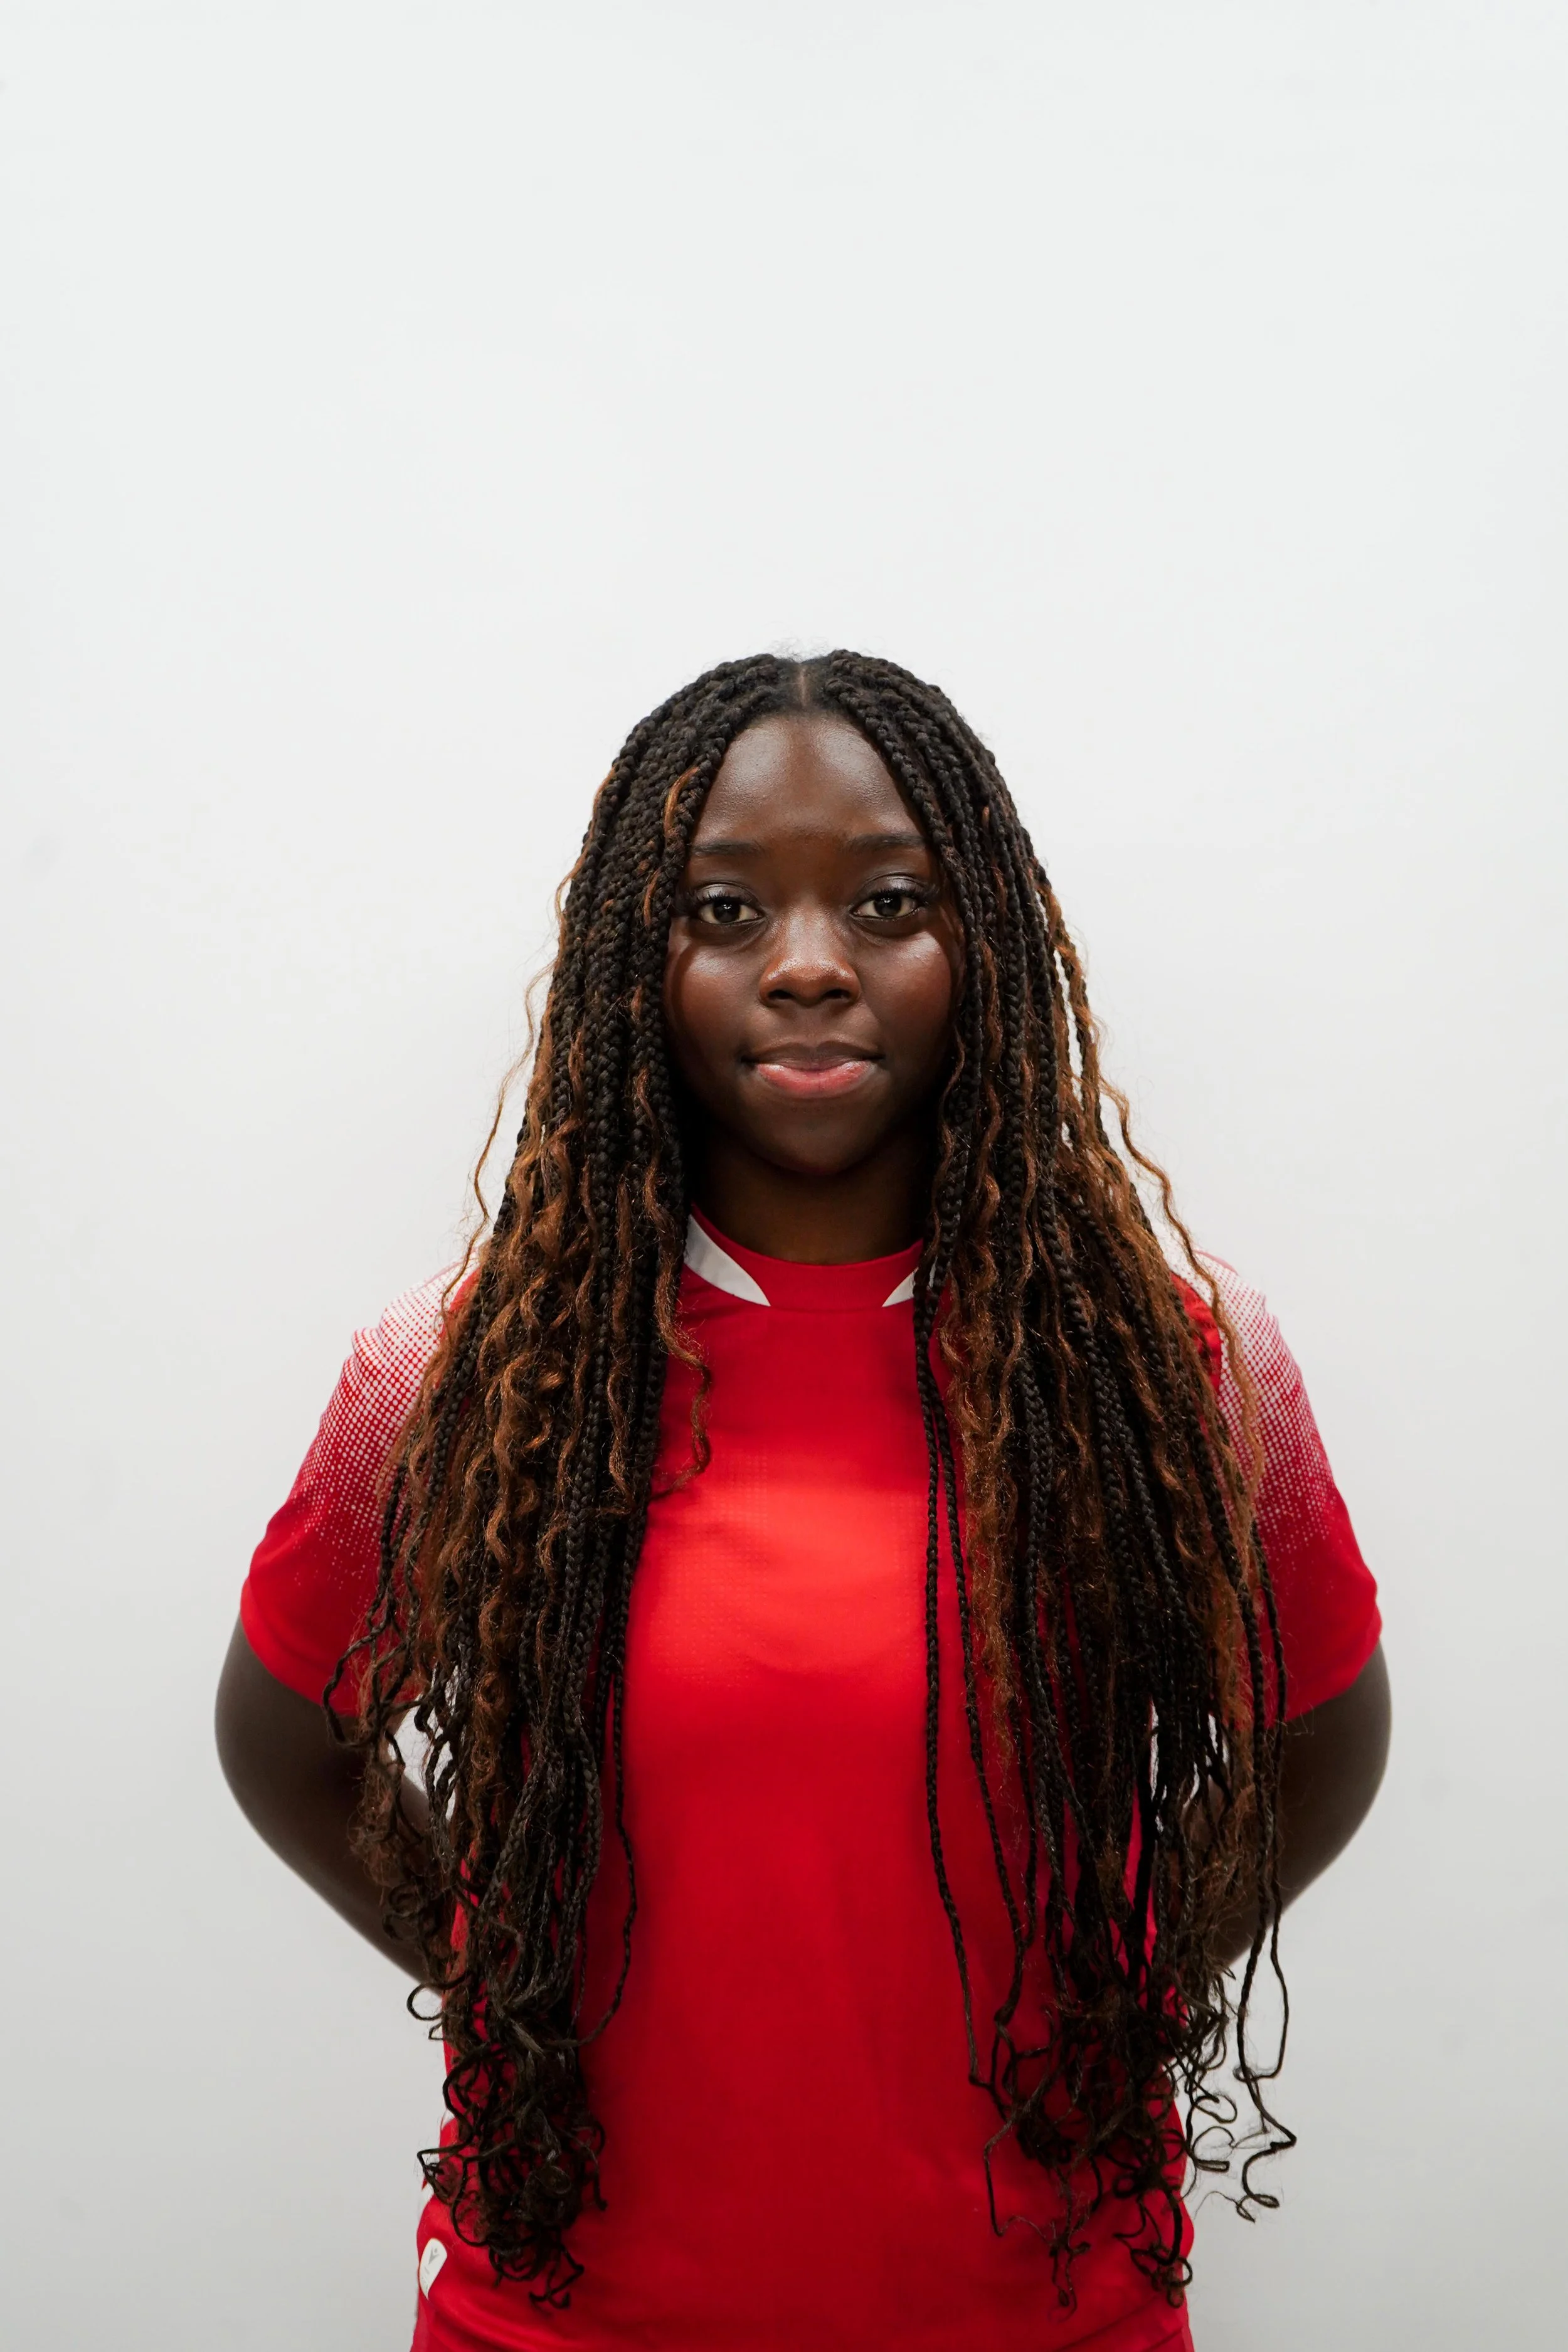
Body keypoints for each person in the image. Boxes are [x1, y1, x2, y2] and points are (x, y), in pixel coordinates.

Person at [216, 650, 1390, 2352]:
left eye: (889, 900)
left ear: (982, 937)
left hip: (1051, 2317)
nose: (810, 963)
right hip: (562, 2318)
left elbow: (1316, 1739)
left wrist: (1120, 2005)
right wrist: (513, 1976)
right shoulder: (467, 1370)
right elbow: (286, 1739)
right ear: (642, 961)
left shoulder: (1170, 1370)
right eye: (723, 909)